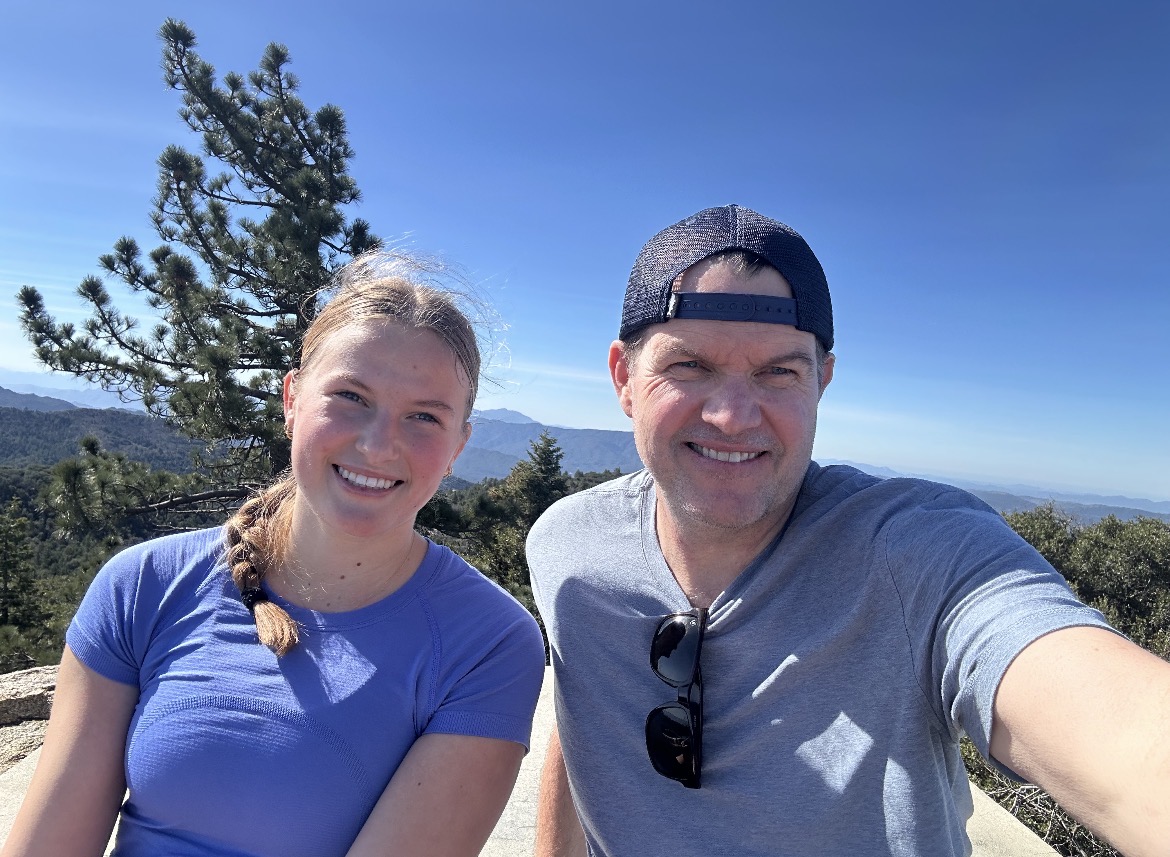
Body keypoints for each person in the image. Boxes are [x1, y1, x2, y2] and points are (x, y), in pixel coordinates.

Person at [527, 204, 1170, 857]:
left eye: (779, 372)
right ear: (624, 378)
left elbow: (1107, 722)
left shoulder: (918, 555)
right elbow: (582, 724)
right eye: (689, 366)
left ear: (822, 382)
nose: (732, 415)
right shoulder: (569, 544)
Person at [2, 251, 546, 857]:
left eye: (424, 416)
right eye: (351, 396)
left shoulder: (486, 644)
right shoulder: (143, 586)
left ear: (458, 448)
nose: (378, 445)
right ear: (291, 400)